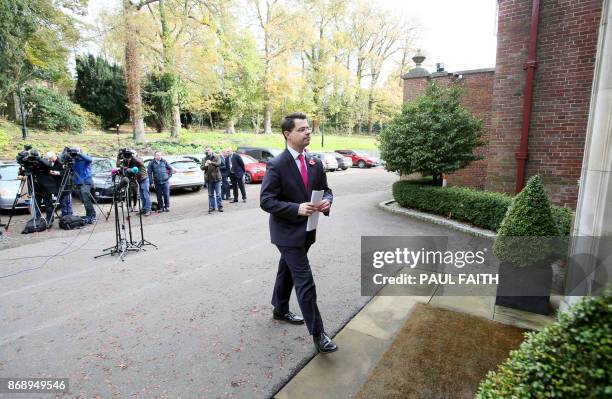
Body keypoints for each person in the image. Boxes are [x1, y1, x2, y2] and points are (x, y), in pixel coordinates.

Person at [260, 112, 337, 354]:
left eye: (308, 129)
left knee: (287, 270)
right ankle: (319, 334)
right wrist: (296, 208)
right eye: (302, 129)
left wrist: (326, 201)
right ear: (287, 134)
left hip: (308, 231)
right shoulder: (276, 164)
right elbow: (266, 201)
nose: (308, 132)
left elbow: (327, 190)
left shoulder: (314, 163)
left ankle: (280, 309)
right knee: (304, 280)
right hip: (286, 234)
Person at [117, 150, 151, 216]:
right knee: (142, 196)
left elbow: (138, 161)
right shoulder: (131, 162)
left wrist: (132, 155)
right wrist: (119, 156)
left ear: (135, 154)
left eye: (132, 154)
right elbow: (119, 165)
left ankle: (148, 210)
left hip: (144, 179)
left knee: (146, 195)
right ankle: (144, 209)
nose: (130, 156)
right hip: (139, 180)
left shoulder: (139, 159)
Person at [72, 147, 96, 224]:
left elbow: (90, 160)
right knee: (84, 200)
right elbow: (62, 160)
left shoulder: (85, 159)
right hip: (78, 183)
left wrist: (79, 153)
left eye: (75, 152)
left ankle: (92, 215)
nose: (74, 153)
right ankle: (88, 214)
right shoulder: (73, 160)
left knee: (86, 199)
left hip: (86, 182)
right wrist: (66, 152)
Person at [47, 151, 73, 217]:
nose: (49, 160)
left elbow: (67, 172)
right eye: (49, 159)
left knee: (67, 199)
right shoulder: (51, 163)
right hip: (57, 184)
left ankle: (69, 214)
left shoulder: (61, 162)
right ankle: (64, 213)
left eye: (50, 158)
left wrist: (57, 173)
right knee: (61, 200)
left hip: (65, 183)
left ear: (54, 156)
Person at [201, 146, 223, 213]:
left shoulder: (216, 156)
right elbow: (202, 168)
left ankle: (220, 207)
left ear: (211, 150)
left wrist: (211, 162)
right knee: (210, 194)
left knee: (218, 194)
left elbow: (219, 164)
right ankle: (212, 207)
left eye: (208, 150)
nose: (207, 151)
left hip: (217, 178)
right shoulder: (204, 158)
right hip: (209, 179)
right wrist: (205, 165)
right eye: (206, 150)